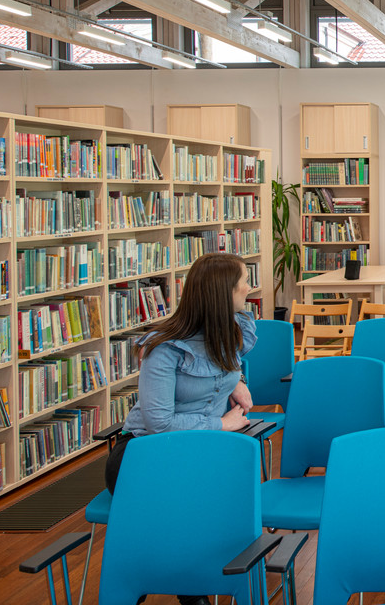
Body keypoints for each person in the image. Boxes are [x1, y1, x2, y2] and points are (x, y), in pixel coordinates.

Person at [103, 252, 257, 605]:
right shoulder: (165, 346)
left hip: (199, 451)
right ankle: (187, 591)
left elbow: (222, 366)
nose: (248, 287)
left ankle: (186, 583)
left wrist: (236, 381)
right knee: (193, 504)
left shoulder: (227, 331)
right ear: (222, 293)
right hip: (144, 455)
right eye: (242, 282)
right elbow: (160, 423)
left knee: (224, 498)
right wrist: (220, 424)